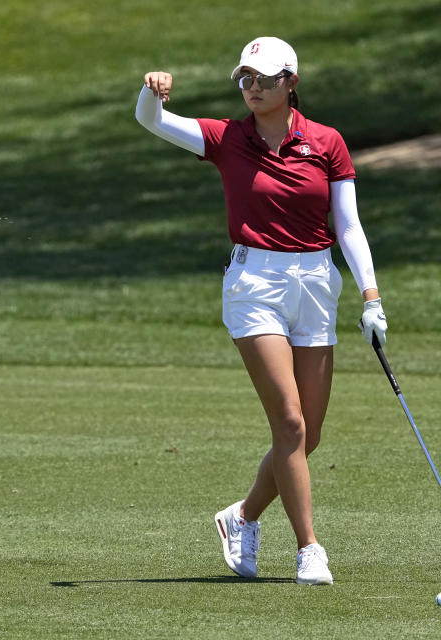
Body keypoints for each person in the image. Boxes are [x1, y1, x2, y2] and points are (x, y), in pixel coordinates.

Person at [135, 36, 387, 585]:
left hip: (318, 282)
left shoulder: (327, 142)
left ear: (291, 82)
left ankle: (242, 515)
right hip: (255, 283)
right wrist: (151, 93)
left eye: (265, 78)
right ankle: (310, 550)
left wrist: (371, 297)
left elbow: (347, 225)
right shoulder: (226, 138)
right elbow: (153, 122)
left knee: (308, 435)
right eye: (245, 78)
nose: (253, 87)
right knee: (290, 422)